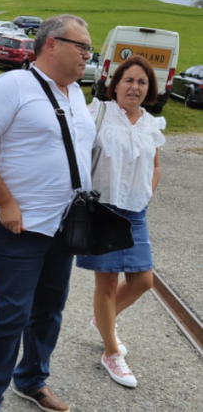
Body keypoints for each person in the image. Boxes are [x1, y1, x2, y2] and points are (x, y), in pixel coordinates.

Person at [0, 14, 95, 412]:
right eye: (83, 47)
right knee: (11, 314)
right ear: (51, 44)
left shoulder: (76, 94)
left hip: (64, 224)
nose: (88, 56)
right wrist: (5, 202)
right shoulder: (13, 85)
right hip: (16, 225)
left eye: (90, 49)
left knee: (50, 309)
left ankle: (31, 379)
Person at [78, 55, 165, 388]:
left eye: (142, 82)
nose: (135, 87)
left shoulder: (150, 123)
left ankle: (104, 321)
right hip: (104, 210)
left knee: (144, 280)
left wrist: (147, 193)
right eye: (129, 80)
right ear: (115, 85)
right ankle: (111, 352)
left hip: (135, 211)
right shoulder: (98, 114)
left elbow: (155, 165)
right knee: (108, 285)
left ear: (149, 89)